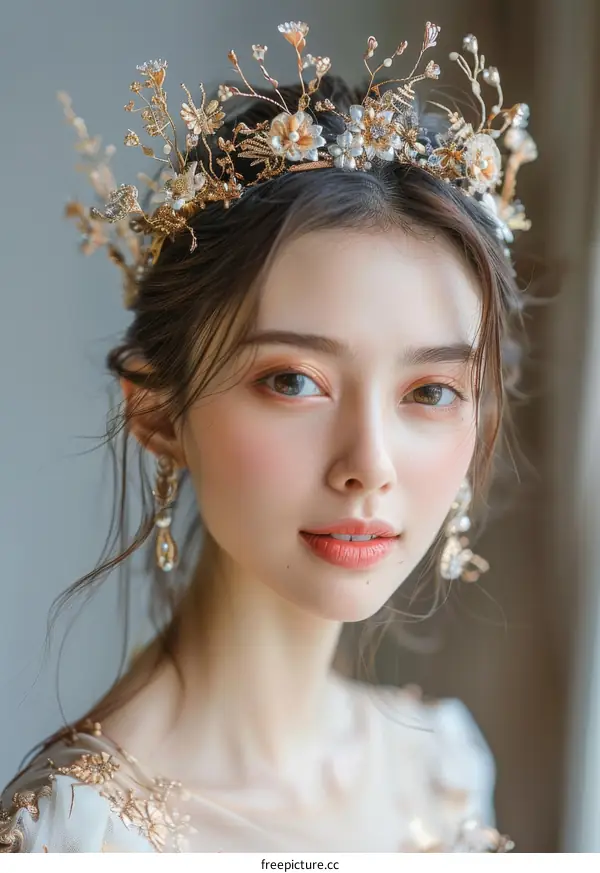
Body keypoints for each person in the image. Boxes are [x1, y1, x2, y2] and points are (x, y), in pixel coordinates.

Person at [0, 20, 536, 853]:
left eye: (430, 391)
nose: (368, 465)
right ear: (158, 412)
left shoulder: (441, 768)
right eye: (293, 381)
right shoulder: (78, 838)